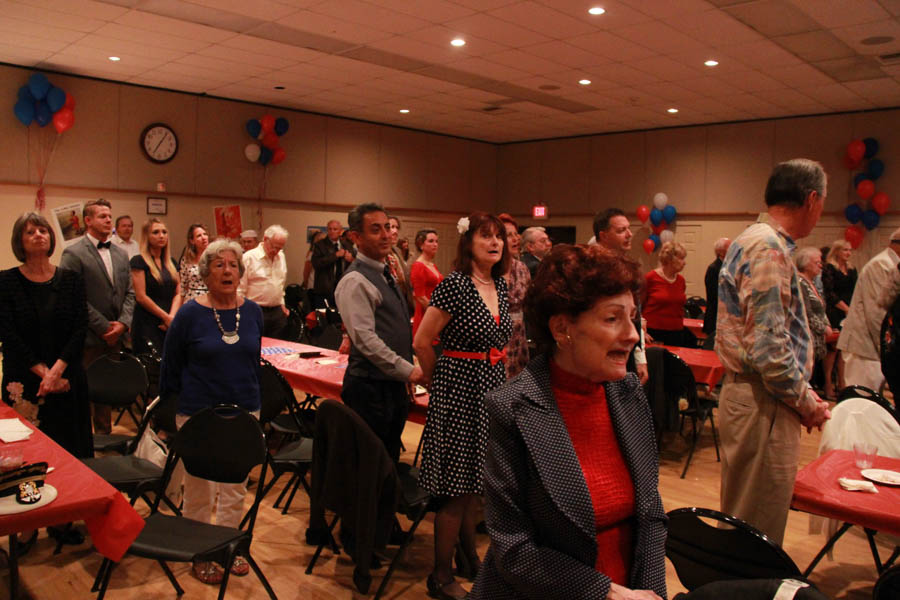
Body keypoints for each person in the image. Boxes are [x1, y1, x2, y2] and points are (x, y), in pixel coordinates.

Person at [469, 244, 666, 600]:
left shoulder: (628, 393)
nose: (633, 334)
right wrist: (606, 593)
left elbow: (651, 513)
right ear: (562, 328)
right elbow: (512, 548)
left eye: (632, 317)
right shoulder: (512, 409)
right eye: (612, 319)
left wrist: (650, 592)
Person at [716, 158, 831, 545]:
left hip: (754, 396)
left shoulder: (755, 238)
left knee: (743, 519)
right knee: (755, 529)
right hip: (762, 400)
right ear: (812, 199)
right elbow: (770, 350)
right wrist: (808, 403)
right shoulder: (768, 248)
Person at [413, 212, 511, 600]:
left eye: (499, 237)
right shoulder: (453, 285)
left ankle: (470, 558)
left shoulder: (500, 285)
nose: (495, 242)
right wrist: (441, 382)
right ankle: (440, 575)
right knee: (455, 487)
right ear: (468, 243)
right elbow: (422, 341)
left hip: (489, 388)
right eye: (486, 236)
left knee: (474, 482)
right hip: (458, 389)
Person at [159, 239, 263, 585]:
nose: (227, 270)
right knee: (200, 488)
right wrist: (170, 414)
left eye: (233, 264)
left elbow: (252, 362)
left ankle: (228, 545)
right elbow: (170, 367)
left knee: (235, 488)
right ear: (205, 272)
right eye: (219, 264)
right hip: (198, 413)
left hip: (245, 411)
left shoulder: (253, 312)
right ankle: (201, 551)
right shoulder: (189, 313)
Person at [335, 203, 425, 463]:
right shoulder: (355, 281)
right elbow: (365, 341)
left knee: (387, 460)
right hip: (370, 389)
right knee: (370, 466)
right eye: (376, 230)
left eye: (387, 227)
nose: (386, 235)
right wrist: (409, 370)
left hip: (391, 385)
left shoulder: (386, 271)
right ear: (356, 237)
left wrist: (404, 372)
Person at [0, 212, 92, 457]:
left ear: (51, 237)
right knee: (28, 456)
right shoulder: (6, 282)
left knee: (71, 456)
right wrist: (45, 374)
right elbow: (7, 333)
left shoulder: (72, 280)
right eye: (30, 232)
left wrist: (56, 371)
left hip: (68, 378)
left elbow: (80, 327)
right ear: (20, 242)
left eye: (42, 231)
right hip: (26, 379)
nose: (38, 235)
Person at [60, 198, 135, 435]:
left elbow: (130, 293)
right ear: (88, 220)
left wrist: (122, 324)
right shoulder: (73, 253)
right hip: (88, 336)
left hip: (116, 335)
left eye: (110, 216)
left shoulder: (122, 254)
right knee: (84, 392)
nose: (108, 220)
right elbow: (72, 296)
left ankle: (104, 441)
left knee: (106, 391)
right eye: (102, 216)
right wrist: (103, 327)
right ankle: (81, 443)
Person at [836, 229, 900, 392]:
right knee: (862, 402)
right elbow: (878, 314)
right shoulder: (881, 264)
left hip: (875, 347)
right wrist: (889, 351)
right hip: (864, 346)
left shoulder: (891, 264)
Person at [593, 208, 648, 384]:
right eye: (621, 230)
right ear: (604, 235)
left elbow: (635, 319)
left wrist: (640, 359)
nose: (629, 234)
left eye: (628, 228)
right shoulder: (591, 270)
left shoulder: (628, 268)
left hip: (627, 352)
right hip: (600, 355)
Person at [130, 218, 181, 355]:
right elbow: (141, 297)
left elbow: (178, 293)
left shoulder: (172, 262)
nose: (161, 236)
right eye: (156, 232)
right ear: (147, 236)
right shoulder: (138, 261)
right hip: (148, 320)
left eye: (164, 232)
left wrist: (171, 317)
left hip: (170, 319)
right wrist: (165, 317)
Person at [239, 224, 289, 339]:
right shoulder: (249, 257)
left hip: (277, 311)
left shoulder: (281, 256)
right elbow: (240, 289)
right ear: (265, 239)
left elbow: (281, 283)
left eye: (280, 248)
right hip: (255, 309)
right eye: (274, 247)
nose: (276, 251)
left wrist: (282, 304)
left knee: (277, 349)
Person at [822, 239, 857, 399]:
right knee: (833, 349)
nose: (848, 253)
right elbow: (830, 293)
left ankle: (843, 385)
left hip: (849, 312)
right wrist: (845, 308)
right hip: (835, 311)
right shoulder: (829, 268)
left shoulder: (851, 269)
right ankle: (828, 384)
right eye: (845, 250)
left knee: (844, 349)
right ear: (837, 251)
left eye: (850, 250)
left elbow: (855, 290)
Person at [498, 213, 531, 378]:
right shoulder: (490, 268)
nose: (515, 239)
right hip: (498, 339)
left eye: (516, 234)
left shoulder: (522, 267)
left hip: (519, 336)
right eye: (508, 235)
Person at [643, 241, 692, 348]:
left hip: (676, 333)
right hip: (653, 333)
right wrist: (642, 332)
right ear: (670, 259)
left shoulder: (681, 281)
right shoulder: (650, 278)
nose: (684, 262)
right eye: (681, 258)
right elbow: (638, 307)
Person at [795, 247, 831, 367]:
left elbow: (820, 307)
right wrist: (823, 328)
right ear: (805, 264)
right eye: (817, 263)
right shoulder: (800, 282)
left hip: (817, 339)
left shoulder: (812, 282)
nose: (820, 266)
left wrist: (827, 325)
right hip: (807, 338)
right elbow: (806, 311)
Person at [311, 219, 354, 308]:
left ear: (340, 231)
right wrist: (335, 255)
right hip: (324, 289)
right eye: (330, 229)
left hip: (343, 288)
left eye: (335, 229)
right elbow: (316, 263)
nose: (332, 232)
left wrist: (351, 259)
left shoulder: (347, 245)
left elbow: (356, 265)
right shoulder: (320, 245)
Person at [410, 228, 443, 340]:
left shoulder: (432, 265)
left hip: (434, 311)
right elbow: (420, 297)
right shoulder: (418, 266)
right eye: (431, 241)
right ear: (421, 245)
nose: (435, 244)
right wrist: (437, 315)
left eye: (436, 241)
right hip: (426, 315)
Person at [702, 237, 731, 339]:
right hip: (715, 316)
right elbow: (714, 295)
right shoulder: (714, 269)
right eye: (729, 247)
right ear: (721, 252)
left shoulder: (728, 267)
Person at [387, 215, 412, 310]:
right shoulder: (379, 252)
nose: (395, 231)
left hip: (402, 300)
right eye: (392, 227)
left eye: (397, 227)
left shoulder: (397, 251)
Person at [179, 224, 210, 301]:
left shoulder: (215, 256)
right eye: (199, 236)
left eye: (205, 234)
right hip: (192, 298)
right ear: (192, 241)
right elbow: (183, 285)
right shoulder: (186, 259)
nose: (203, 238)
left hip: (211, 297)